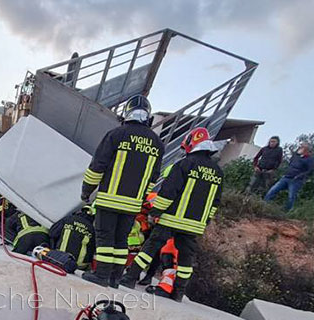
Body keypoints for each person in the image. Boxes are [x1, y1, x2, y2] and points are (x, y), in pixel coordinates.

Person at [120, 127, 223, 302]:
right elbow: (215, 202)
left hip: (172, 219)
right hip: (194, 225)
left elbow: (169, 192)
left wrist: (155, 211)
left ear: (192, 144)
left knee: (150, 248)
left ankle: (130, 278)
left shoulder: (184, 164)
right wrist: (205, 221)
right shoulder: (218, 172)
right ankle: (178, 293)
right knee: (185, 260)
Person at [81, 94, 163, 288]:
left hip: (109, 199)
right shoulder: (157, 144)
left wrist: (86, 191)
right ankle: (115, 278)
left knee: (104, 237)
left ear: (127, 113)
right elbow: (153, 177)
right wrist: (141, 198)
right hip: (133, 204)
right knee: (120, 241)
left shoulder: (116, 135)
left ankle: (101, 275)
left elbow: (97, 167)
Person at [264, 141, 314, 211]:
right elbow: (290, 164)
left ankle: (286, 211)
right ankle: (264, 205)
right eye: (300, 146)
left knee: (291, 196)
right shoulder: (295, 156)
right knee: (272, 190)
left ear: (306, 149)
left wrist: (299, 176)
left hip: (296, 180)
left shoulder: (309, 159)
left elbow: (310, 171)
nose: (300, 148)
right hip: (286, 177)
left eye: (302, 147)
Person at [49, 205, 96, 270]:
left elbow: (52, 233)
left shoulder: (68, 219)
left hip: (60, 258)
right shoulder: (92, 229)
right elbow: (93, 249)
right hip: (80, 265)